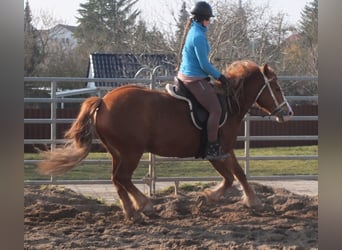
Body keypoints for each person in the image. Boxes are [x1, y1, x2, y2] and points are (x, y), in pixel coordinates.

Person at [176, 1, 230, 161]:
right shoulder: (198, 36)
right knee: (216, 110)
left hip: (191, 75)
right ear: (203, 19)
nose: (210, 21)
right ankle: (212, 147)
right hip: (193, 78)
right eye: (208, 19)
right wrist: (219, 76)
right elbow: (204, 64)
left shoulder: (195, 31)